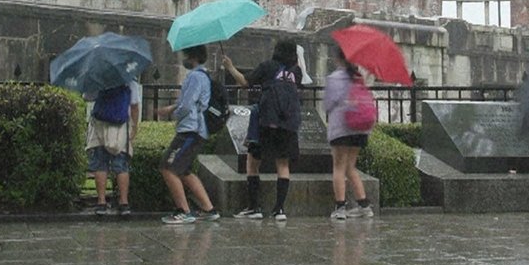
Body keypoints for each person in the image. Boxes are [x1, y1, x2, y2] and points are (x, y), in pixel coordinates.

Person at [221, 39, 303, 221]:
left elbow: (244, 82)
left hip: (267, 121)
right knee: (282, 164)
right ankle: (279, 209)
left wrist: (230, 67)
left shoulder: (268, 66)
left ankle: (254, 207)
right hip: (288, 123)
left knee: (253, 162)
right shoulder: (296, 72)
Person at [157, 44, 221, 224]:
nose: (184, 59)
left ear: (192, 57)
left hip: (189, 130)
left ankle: (183, 211)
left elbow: (187, 105)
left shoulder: (194, 76)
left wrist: (174, 113)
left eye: (185, 55)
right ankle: (208, 209)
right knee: (183, 170)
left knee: (167, 167)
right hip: (197, 129)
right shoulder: (204, 76)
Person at [323, 44, 374, 220]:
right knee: (350, 167)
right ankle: (364, 205)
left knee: (338, 167)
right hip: (360, 129)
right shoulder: (358, 77)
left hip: (342, 129)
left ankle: (340, 207)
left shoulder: (335, 78)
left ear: (338, 59)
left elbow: (328, 104)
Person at [86, 80, 141, 216]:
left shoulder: (98, 78)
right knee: (121, 165)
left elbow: (87, 97)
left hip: (99, 124)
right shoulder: (129, 81)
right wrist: (134, 127)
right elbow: (134, 105)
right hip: (120, 126)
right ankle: (123, 203)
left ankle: (101, 203)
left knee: (100, 164)